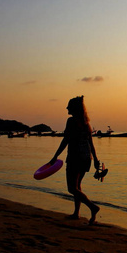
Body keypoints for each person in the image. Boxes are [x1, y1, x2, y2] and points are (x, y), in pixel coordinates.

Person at [50, 96, 101, 224]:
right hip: (86, 158)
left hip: (75, 157)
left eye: (69, 106)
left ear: (74, 108)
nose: (67, 108)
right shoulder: (86, 123)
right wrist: (95, 159)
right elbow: (91, 142)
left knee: (72, 188)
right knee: (77, 186)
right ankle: (76, 213)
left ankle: (92, 207)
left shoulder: (71, 121)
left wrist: (55, 156)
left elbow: (65, 140)